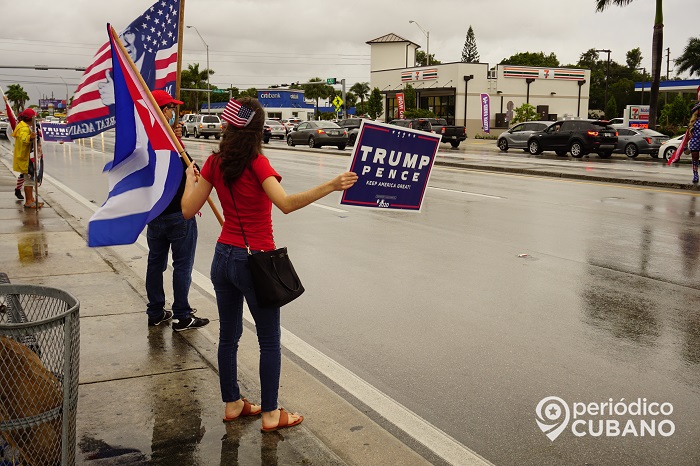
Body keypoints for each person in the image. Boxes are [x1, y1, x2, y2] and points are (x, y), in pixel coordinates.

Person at [181, 97, 357, 432]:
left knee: (228, 337)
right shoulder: (257, 164)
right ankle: (272, 414)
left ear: (229, 127)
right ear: (258, 131)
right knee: (269, 340)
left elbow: (188, 210)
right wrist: (331, 185)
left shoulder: (214, 164)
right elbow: (287, 204)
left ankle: (233, 403)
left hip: (222, 258)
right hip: (255, 262)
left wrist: (191, 182)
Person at [146, 90, 210, 332]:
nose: (175, 113)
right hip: (179, 214)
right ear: (163, 111)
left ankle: (155, 311)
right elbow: (193, 169)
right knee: (182, 265)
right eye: (171, 108)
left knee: (155, 264)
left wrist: (175, 138)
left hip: (155, 214)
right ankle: (182, 315)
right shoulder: (169, 143)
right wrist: (175, 141)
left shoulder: (148, 141)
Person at [12, 108, 40, 208]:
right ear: (30, 118)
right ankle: (28, 201)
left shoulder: (26, 126)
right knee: (29, 180)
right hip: (26, 158)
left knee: (31, 179)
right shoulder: (23, 128)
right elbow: (24, 138)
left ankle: (32, 199)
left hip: (27, 157)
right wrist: (30, 137)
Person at [688, 103, 700, 183]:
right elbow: (688, 134)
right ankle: (695, 174)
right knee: (695, 158)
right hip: (695, 141)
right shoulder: (693, 121)